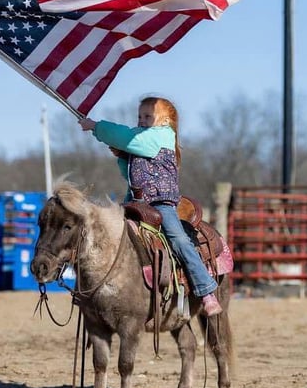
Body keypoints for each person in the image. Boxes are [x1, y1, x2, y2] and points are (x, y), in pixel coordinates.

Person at [78, 96, 222, 317]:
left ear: (165, 121)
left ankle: (205, 290)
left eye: (148, 116)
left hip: (160, 204)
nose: (142, 120)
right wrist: (123, 156)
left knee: (178, 239)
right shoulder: (144, 140)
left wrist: (97, 127)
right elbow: (129, 172)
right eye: (140, 116)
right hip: (135, 202)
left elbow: (125, 136)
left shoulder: (161, 136)